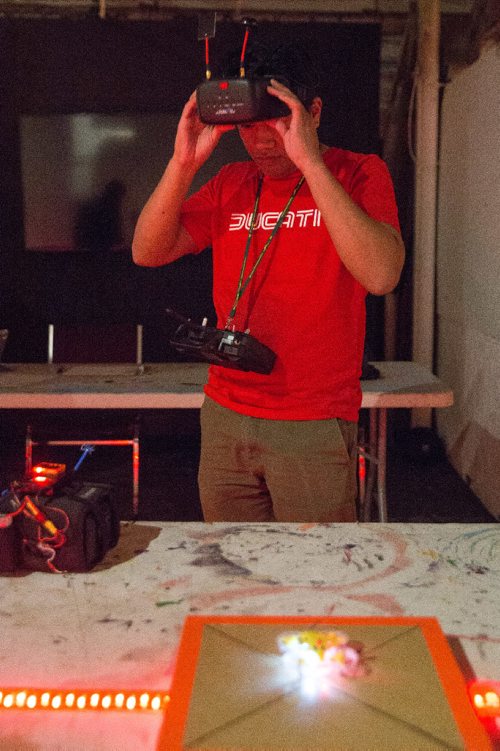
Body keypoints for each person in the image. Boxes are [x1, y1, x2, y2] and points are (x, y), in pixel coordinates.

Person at [132, 44, 404, 523]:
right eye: (248, 125)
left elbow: (381, 275)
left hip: (312, 420)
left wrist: (311, 165)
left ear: (313, 113)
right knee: (231, 570)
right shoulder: (232, 182)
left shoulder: (360, 173)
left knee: (313, 579)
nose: (260, 141)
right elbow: (147, 251)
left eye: (276, 122)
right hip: (225, 413)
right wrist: (183, 163)